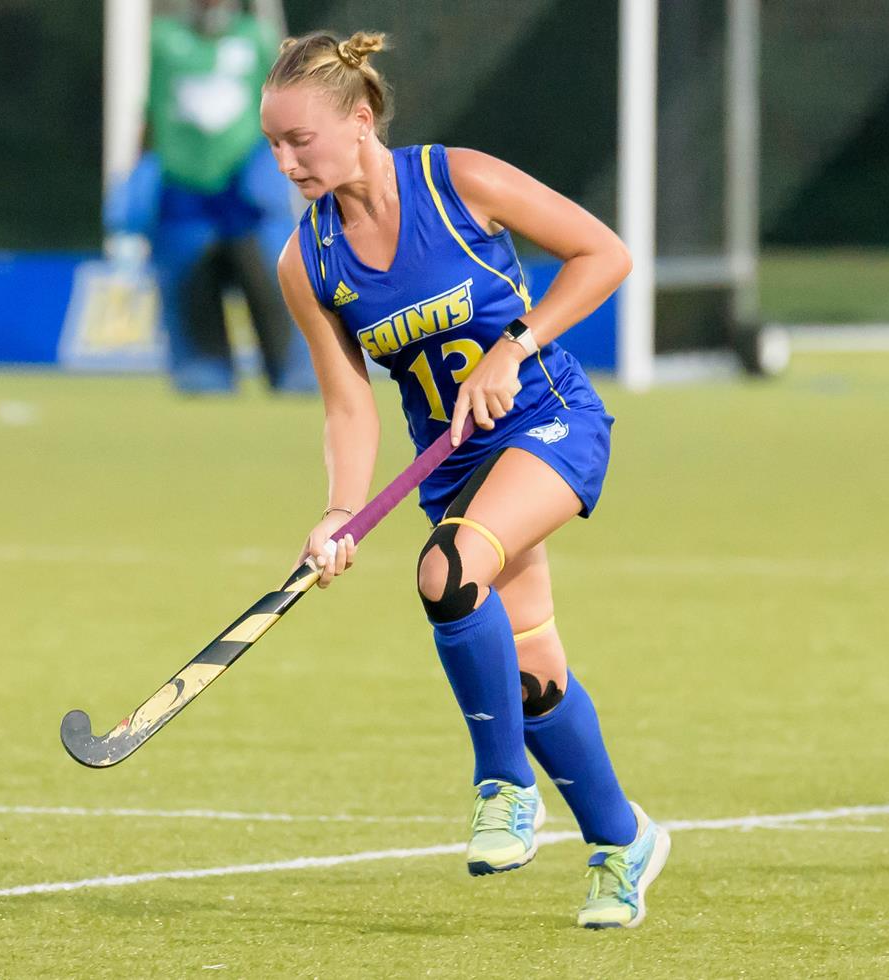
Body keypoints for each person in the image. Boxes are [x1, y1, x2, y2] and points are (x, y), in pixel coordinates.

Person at [262, 31, 670, 929]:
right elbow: (349, 407)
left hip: (547, 420)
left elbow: (603, 253)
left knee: (448, 572)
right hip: (457, 466)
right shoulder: (308, 262)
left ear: (359, 121)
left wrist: (514, 346)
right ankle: (621, 842)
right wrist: (337, 512)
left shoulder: (458, 181)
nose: (287, 163)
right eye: (275, 147)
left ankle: (502, 789)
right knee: (530, 677)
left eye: (301, 142)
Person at [109, 0, 315, 395]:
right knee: (192, 291)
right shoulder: (165, 40)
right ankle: (203, 370)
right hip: (183, 194)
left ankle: (292, 371)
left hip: (247, 192)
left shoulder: (256, 39)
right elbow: (151, 113)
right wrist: (139, 175)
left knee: (272, 285)